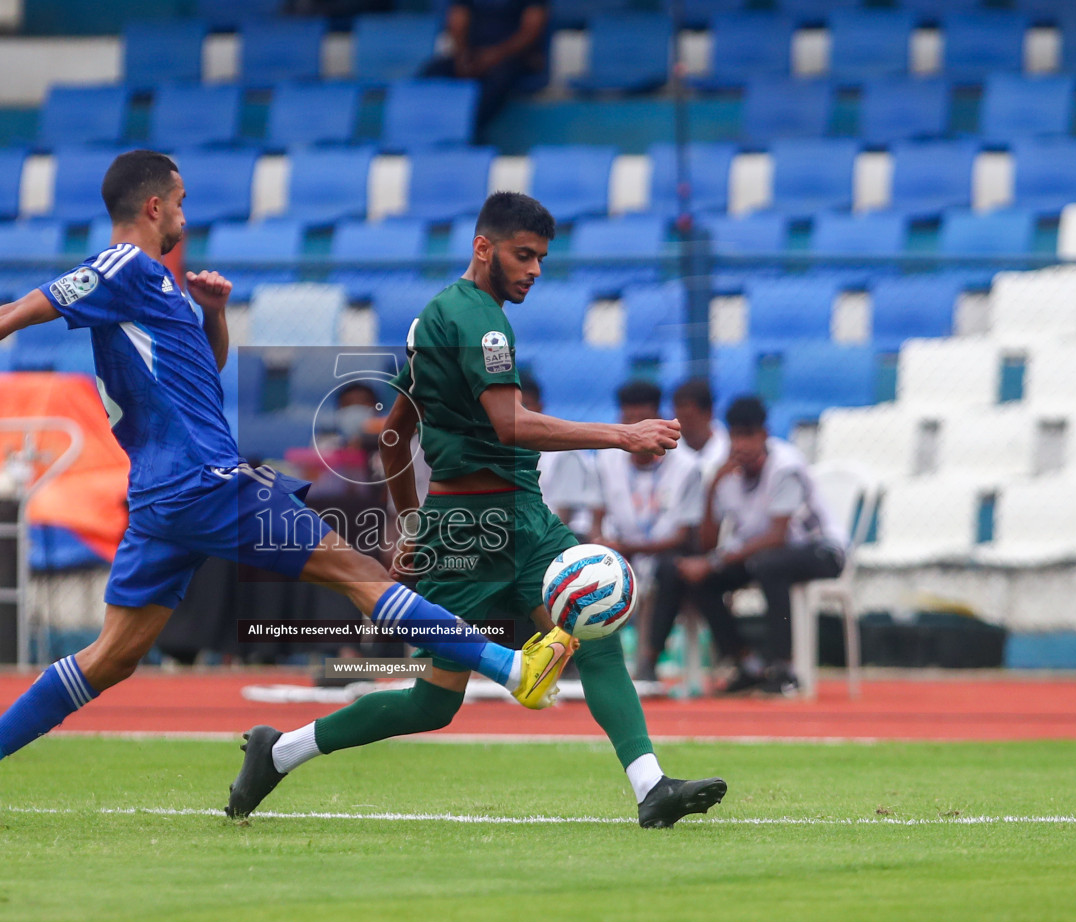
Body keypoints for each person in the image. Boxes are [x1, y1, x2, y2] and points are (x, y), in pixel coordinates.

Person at [0, 151, 581, 836]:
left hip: (164, 499)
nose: (186, 216)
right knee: (361, 573)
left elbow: (198, 373)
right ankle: (514, 667)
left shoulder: (158, 288)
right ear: (154, 206)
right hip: (204, 482)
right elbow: (22, 309)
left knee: (113, 657)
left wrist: (213, 315)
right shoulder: (121, 267)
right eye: (181, 202)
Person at [227, 192, 727, 829]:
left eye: (542, 258)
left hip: (519, 519)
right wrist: (622, 434)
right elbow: (510, 424)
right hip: (473, 529)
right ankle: (281, 750)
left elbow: (391, 435)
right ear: (482, 248)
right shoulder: (481, 323)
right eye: (524, 255)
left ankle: (651, 788)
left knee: (595, 633)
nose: (535, 270)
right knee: (433, 705)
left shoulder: (437, 318)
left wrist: (410, 525)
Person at [644, 395, 846, 698]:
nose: (742, 444)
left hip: (819, 549)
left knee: (768, 563)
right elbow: (708, 544)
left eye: (749, 435)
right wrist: (713, 489)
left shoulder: (785, 464)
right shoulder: (725, 472)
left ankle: (784, 670)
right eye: (736, 435)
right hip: (761, 556)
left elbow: (778, 536)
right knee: (699, 577)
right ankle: (747, 665)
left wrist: (713, 561)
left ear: (764, 434)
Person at [589, 381, 703, 689]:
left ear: (658, 420)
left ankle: (648, 661)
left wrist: (629, 548)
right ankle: (582, 660)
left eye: (642, 419)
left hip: (662, 551)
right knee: (579, 561)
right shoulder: (605, 459)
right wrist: (599, 544)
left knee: (669, 568)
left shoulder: (688, 465)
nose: (635, 428)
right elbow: (596, 518)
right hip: (618, 551)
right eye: (628, 419)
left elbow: (684, 535)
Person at [423, 0, 549, 141]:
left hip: (515, 58)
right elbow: (457, 21)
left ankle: (465, 136)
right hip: (472, 55)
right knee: (431, 74)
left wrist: (494, 56)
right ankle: (420, 137)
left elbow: (530, 30)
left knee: (496, 81)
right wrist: (462, 56)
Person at [528, 378, 603, 542]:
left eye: (526, 407)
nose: (519, 416)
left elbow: (564, 516)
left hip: (567, 536)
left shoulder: (565, 454)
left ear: (539, 408)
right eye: (513, 409)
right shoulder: (504, 452)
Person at [671, 377, 729, 478]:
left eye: (688, 418)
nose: (681, 424)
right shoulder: (666, 452)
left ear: (709, 413)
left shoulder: (728, 450)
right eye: (678, 417)